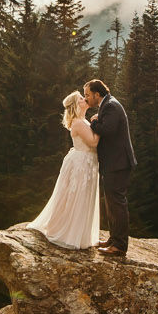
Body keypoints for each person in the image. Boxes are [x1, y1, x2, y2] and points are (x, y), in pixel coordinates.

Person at [26, 91, 102, 249]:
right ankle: (70, 232)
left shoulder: (82, 121)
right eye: (81, 98)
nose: (85, 99)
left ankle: (78, 233)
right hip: (83, 163)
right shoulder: (79, 123)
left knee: (79, 196)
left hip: (86, 161)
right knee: (77, 196)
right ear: (76, 105)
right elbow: (94, 143)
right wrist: (100, 125)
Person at [83, 77, 135, 256]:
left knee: (117, 203)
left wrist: (94, 122)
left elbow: (108, 130)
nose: (86, 98)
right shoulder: (108, 104)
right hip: (115, 162)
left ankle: (119, 245)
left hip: (118, 163)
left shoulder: (111, 106)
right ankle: (114, 239)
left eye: (88, 95)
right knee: (112, 204)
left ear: (98, 94)